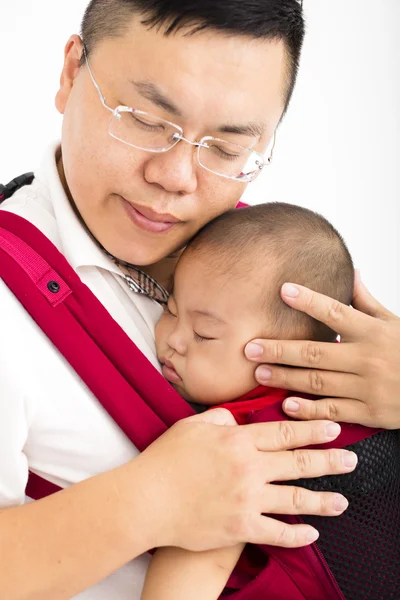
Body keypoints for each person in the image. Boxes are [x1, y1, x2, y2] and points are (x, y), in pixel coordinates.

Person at [0, 2, 399, 599]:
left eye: (228, 147)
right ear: (70, 72)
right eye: (142, 118)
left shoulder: (269, 257)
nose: (177, 177)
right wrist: (150, 501)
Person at [142, 201, 399, 600]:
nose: (174, 339)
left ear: (287, 348)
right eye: (170, 309)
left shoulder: (243, 432)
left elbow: (198, 558)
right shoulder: (374, 395)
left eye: (205, 333)